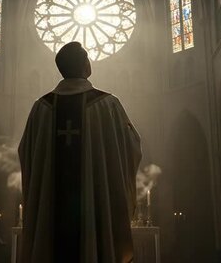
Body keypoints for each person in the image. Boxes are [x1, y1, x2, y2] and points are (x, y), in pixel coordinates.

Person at [18, 42, 142, 263]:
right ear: (85, 65)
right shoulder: (108, 105)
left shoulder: (41, 109)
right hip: (95, 209)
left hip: (51, 218)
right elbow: (130, 148)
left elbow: (26, 154)